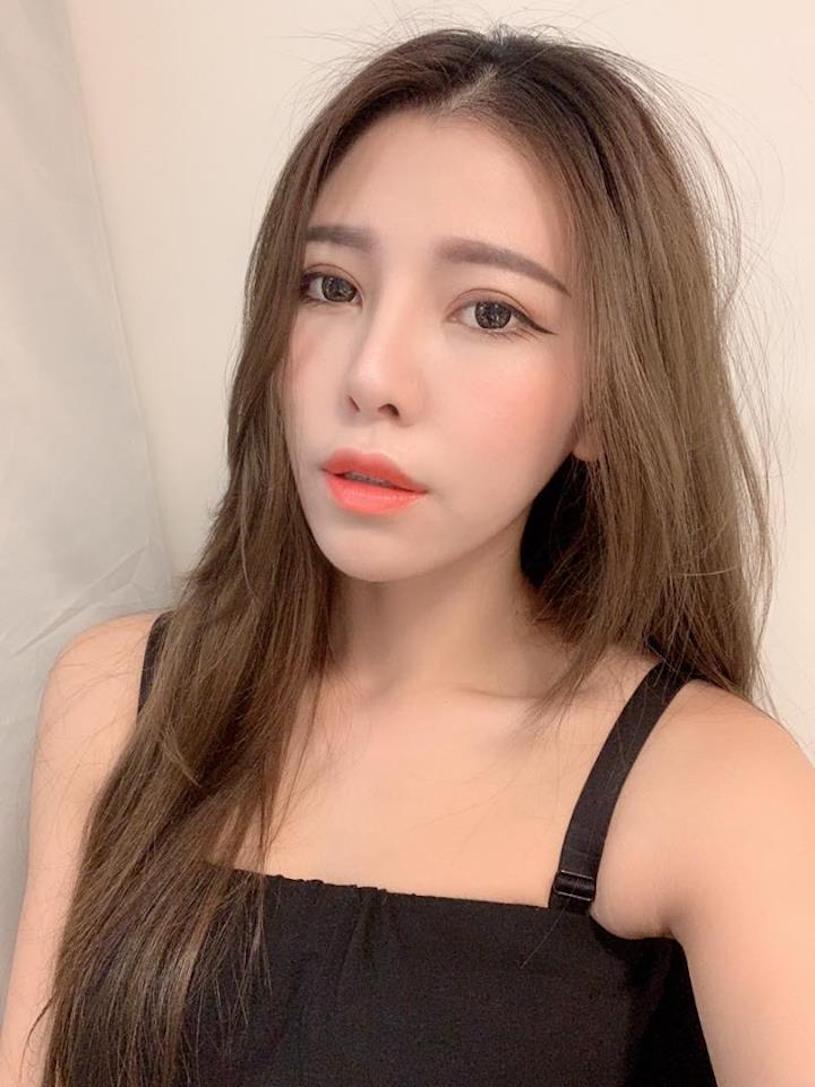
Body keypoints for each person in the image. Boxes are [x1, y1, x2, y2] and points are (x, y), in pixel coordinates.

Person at [3, 23, 814, 1087]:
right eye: (330, 286)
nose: (372, 375)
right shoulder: (118, 700)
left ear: (603, 402)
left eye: (490, 312)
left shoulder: (714, 790)